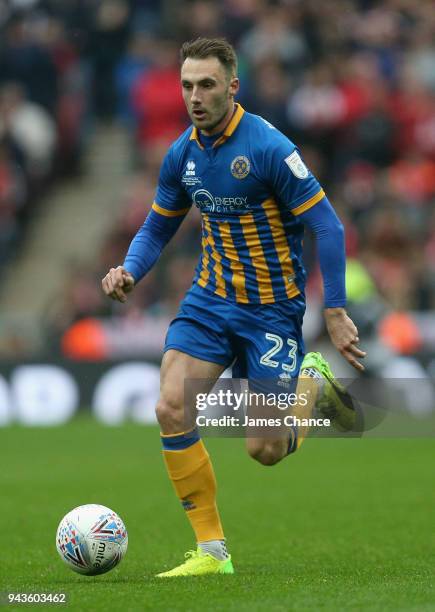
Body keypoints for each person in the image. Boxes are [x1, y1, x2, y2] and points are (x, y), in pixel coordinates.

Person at [102, 37, 366, 577]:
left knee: (265, 450)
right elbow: (158, 224)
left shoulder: (268, 147)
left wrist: (335, 312)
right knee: (170, 406)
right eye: (186, 85)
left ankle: (311, 382)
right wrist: (131, 268)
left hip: (271, 310)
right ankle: (211, 553)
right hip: (210, 301)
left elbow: (327, 226)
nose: (194, 96)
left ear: (232, 86)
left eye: (206, 85)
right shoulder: (182, 154)